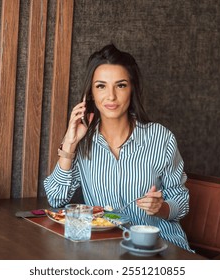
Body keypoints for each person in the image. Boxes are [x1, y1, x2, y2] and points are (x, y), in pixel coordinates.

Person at [44, 44, 193, 252]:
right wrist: (69, 144)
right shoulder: (84, 141)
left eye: (120, 85)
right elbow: (56, 198)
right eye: (101, 86)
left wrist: (162, 208)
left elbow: (181, 200)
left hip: (160, 248)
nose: (111, 96)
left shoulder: (160, 138)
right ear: (91, 93)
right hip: (107, 250)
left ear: (132, 88)